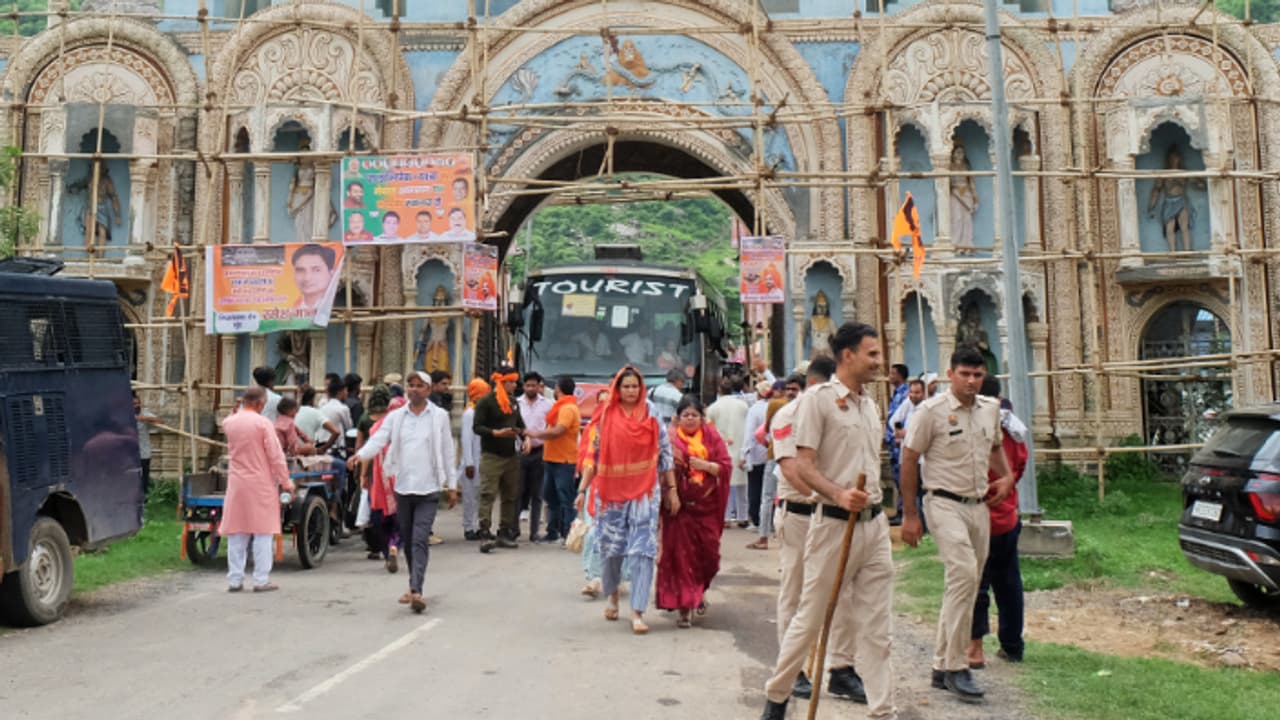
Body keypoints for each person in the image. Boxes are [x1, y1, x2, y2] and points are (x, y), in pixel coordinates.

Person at [760, 323, 894, 720]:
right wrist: (838, 493)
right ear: (848, 355)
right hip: (834, 524)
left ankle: (883, 711)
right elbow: (802, 464)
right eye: (872, 353)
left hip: (874, 526)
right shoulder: (817, 402)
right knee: (810, 616)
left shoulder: (870, 405)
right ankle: (778, 695)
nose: (879, 361)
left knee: (878, 626)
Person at [900, 348, 1016, 705]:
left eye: (977, 375)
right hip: (942, 501)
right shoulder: (930, 411)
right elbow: (909, 458)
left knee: (967, 582)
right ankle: (956, 664)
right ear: (950, 374)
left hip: (978, 504)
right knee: (964, 573)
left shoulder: (989, 409)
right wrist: (910, 514)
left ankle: (940, 664)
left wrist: (1006, 476)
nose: (971, 381)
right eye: (964, 374)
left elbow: (994, 447)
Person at [767, 356, 846, 699]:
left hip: (832, 514)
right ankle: (793, 669)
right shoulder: (788, 415)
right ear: (815, 385)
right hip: (800, 513)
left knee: (840, 591)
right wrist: (824, 495)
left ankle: (842, 667)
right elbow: (790, 467)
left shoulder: (839, 413)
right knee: (795, 591)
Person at [574, 367, 675, 635]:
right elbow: (594, 455)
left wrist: (672, 489)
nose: (631, 391)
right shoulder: (606, 414)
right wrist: (582, 490)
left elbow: (665, 450)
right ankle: (612, 595)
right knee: (611, 549)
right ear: (618, 389)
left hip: (645, 493)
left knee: (643, 550)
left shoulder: (651, 412)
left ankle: (637, 611)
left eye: (635, 386)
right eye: (626, 386)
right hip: (611, 494)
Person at [348, 372, 457, 613]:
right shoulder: (396, 417)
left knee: (419, 538)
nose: (414, 389)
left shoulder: (439, 416)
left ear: (428, 390)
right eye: (411, 385)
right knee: (407, 538)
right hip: (403, 486)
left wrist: (451, 485)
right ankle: (412, 584)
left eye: (420, 386)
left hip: (429, 488)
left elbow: (448, 450)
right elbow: (378, 439)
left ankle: (417, 590)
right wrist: (360, 455)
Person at [657, 395, 733, 628]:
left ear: (702, 417)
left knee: (709, 557)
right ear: (678, 418)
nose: (690, 419)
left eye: (694, 415)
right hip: (679, 509)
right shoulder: (670, 439)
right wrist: (670, 492)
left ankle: (699, 591)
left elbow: (725, 466)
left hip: (706, 507)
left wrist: (706, 466)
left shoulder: (711, 437)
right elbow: (661, 468)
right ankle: (685, 608)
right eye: (686, 415)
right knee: (681, 559)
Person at [969, 378, 1029, 669]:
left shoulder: (978, 428)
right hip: (1008, 515)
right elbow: (1019, 467)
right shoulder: (1014, 428)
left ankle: (975, 649)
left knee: (976, 585)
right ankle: (1012, 645)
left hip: (980, 516)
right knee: (1009, 584)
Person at [221, 387, 294, 593]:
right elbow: (275, 456)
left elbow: (229, 420)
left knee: (237, 531)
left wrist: (235, 410)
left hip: (237, 482)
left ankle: (235, 579)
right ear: (259, 404)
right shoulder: (263, 423)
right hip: (260, 482)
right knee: (263, 532)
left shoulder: (229, 423)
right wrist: (286, 482)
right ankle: (261, 579)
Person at [474, 365, 526, 552]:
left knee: (510, 495)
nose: (514, 385)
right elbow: (477, 427)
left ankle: (504, 532)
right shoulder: (486, 402)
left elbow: (520, 425)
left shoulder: (513, 402)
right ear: (501, 382)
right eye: (511, 382)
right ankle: (484, 533)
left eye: (515, 381)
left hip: (511, 455)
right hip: (491, 455)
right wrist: (496, 433)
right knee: (487, 494)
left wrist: (525, 438)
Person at [528, 375, 580, 544]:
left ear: (558, 389)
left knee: (566, 499)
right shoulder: (560, 407)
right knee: (551, 497)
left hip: (564, 460)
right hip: (552, 458)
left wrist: (536, 434)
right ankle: (553, 532)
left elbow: (559, 431)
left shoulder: (567, 408)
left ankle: (568, 534)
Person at [365, 395, 407, 571]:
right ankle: (394, 546)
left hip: (380, 482)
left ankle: (387, 551)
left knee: (381, 520)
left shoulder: (377, 427)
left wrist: (363, 476)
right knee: (401, 519)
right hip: (402, 480)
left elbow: (368, 452)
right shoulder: (408, 427)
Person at [707, 377, 750, 527]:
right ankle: (743, 516)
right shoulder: (743, 406)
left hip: (721, 449)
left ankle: (725, 517)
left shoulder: (713, 407)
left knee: (724, 485)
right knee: (742, 485)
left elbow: (709, 429)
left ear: (719, 390)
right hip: (741, 447)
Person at [516, 372, 553, 541]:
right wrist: (524, 438)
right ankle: (513, 530)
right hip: (520, 451)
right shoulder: (516, 404)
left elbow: (552, 426)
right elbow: (514, 426)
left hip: (540, 451)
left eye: (534, 385)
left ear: (539, 386)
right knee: (518, 491)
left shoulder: (548, 405)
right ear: (523, 386)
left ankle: (534, 532)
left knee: (537, 494)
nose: (531, 388)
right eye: (528, 385)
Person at [741, 380, 772, 545]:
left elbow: (749, 434)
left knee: (755, 487)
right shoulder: (775, 406)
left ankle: (757, 519)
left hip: (756, 454)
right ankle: (768, 520)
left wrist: (744, 454)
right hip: (772, 452)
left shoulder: (755, 409)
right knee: (769, 490)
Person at [459, 379, 489, 541]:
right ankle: (468, 527)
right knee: (469, 497)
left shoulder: (482, 412)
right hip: (471, 463)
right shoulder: (469, 414)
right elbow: (466, 440)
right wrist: (469, 463)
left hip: (482, 460)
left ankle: (478, 527)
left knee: (480, 496)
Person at [884, 363, 910, 520]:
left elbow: (900, 419)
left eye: (893, 373)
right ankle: (900, 508)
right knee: (896, 476)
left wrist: (898, 437)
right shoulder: (896, 393)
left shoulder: (905, 395)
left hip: (899, 442)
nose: (890, 376)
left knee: (902, 477)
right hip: (893, 443)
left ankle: (903, 511)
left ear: (900, 375)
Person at [290, 244, 338, 320]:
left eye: (316, 270)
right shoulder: (288, 310)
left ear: (331, 274)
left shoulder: (338, 309)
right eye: (300, 270)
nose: (307, 278)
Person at [950, 142, 978, 255]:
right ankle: (956, 245)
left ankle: (967, 245)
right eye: (958, 152)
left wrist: (975, 199)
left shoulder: (966, 166)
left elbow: (971, 184)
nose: (960, 154)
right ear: (953, 154)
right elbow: (947, 184)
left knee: (967, 220)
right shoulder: (949, 166)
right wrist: (956, 192)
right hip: (955, 194)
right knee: (957, 219)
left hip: (966, 194)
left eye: (962, 152)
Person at [295, 384, 340, 453]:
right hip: (308, 453)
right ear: (312, 399)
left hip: (292, 452)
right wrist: (323, 449)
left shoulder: (292, 412)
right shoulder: (316, 413)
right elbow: (336, 432)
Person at [133, 392, 159, 497]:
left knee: (144, 477)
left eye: (138, 403)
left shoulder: (144, 413)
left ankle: (144, 498)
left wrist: (144, 419)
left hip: (144, 452)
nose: (137, 406)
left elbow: (160, 421)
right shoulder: (124, 415)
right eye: (134, 404)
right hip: (129, 454)